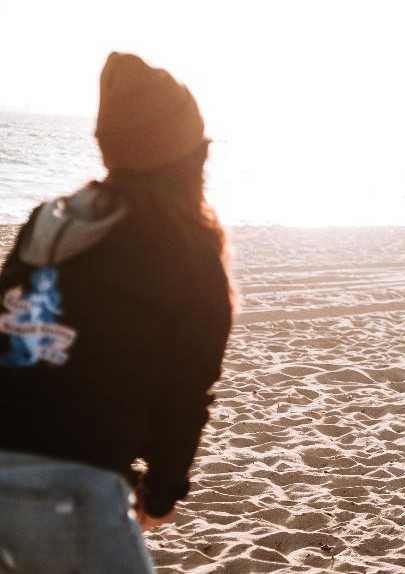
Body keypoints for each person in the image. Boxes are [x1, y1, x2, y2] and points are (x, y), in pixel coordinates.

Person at [0, 53, 232, 573]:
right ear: (190, 158)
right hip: (71, 488)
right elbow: (186, 393)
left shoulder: (51, 221)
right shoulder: (186, 247)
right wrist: (162, 493)